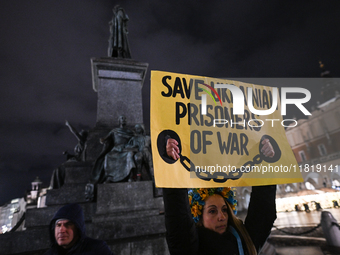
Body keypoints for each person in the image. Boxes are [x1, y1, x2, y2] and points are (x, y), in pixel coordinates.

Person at [163, 138, 277, 255]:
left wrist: (265, 163)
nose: (221, 217)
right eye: (212, 211)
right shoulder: (188, 247)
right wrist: (172, 165)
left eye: (224, 210)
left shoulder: (246, 240)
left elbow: (263, 214)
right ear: (199, 217)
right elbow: (178, 218)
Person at [44, 203, 113, 255]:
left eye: (68, 225)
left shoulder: (97, 249)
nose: (61, 230)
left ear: (77, 229)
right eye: (58, 225)